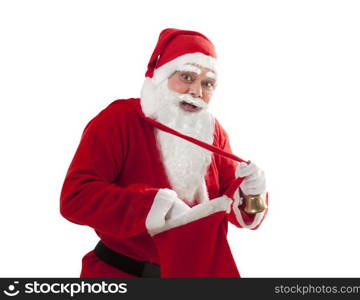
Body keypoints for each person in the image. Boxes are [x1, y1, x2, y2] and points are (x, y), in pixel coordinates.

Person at [60, 28, 268, 278]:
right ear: (161, 76)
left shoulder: (214, 132)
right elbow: (76, 198)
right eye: (187, 77)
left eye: (207, 83)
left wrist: (251, 194)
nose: (196, 92)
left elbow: (230, 197)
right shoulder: (118, 120)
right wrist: (156, 207)